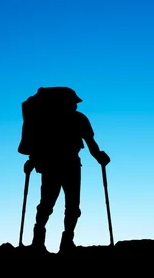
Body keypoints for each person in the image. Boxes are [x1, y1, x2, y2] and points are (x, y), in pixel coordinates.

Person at [23, 88, 110, 253]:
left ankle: (59, 242)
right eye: (73, 102)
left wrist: (99, 156)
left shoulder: (65, 119)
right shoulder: (62, 119)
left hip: (60, 166)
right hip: (62, 166)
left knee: (66, 205)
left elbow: (90, 142)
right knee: (52, 204)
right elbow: (41, 143)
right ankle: (46, 242)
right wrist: (32, 161)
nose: (76, 105)